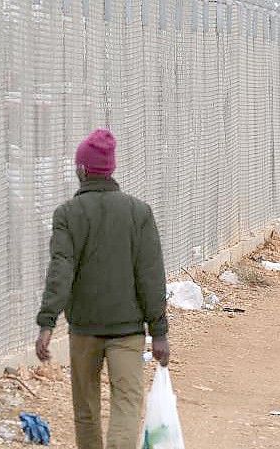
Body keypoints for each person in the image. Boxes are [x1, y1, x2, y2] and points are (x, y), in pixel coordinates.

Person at [35, 128, 170, 449]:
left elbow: (60, 270)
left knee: (86, 411)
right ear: (111, 169)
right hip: (128, 331)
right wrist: (159, 332)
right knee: (126, 405)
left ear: (82, 170)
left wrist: (47, 323)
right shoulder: (139, 212)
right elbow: (151, 275)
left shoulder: (67, 214)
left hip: (84, 331)